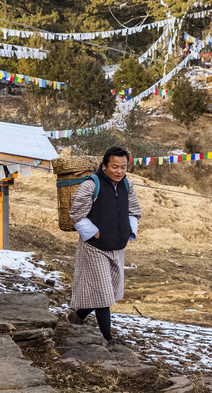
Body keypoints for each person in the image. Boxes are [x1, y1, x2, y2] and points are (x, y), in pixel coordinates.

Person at [66, 146, 141, 347]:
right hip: (94, 247)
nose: (119, 171)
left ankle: (77, 316)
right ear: (104, 166)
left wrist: (127, 231)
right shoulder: (91, 185)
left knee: (107, 291)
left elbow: (134, 210)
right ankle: (108, 339)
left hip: (117, 246)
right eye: (114, 167)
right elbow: (75, 213)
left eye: (123, 167)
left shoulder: (127, 185)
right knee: (103, 296)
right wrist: (92, 231)